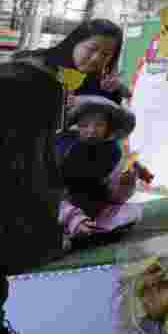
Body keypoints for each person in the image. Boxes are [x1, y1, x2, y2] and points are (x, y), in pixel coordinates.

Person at [0, 19, 124, 334]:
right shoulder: (33, 69)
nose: (97, 59)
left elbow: (102, 126)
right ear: (75, 40)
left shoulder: (80, 80)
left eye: (106, 55)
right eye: (93, 48)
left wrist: (111, 95)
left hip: (36, 176)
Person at [57, 95, 149, 250]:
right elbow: (53, 189)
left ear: (109, 127)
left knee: (127, 213)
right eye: (85, 125)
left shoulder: (112, 150)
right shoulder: (65, 145)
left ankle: (88, 232)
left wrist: (125, 181)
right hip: (67, 203)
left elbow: (115, 195)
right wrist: (72, 215)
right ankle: (75, 231)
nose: (91, 131)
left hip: (98, 206)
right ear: (76, 125)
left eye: (99, 125)